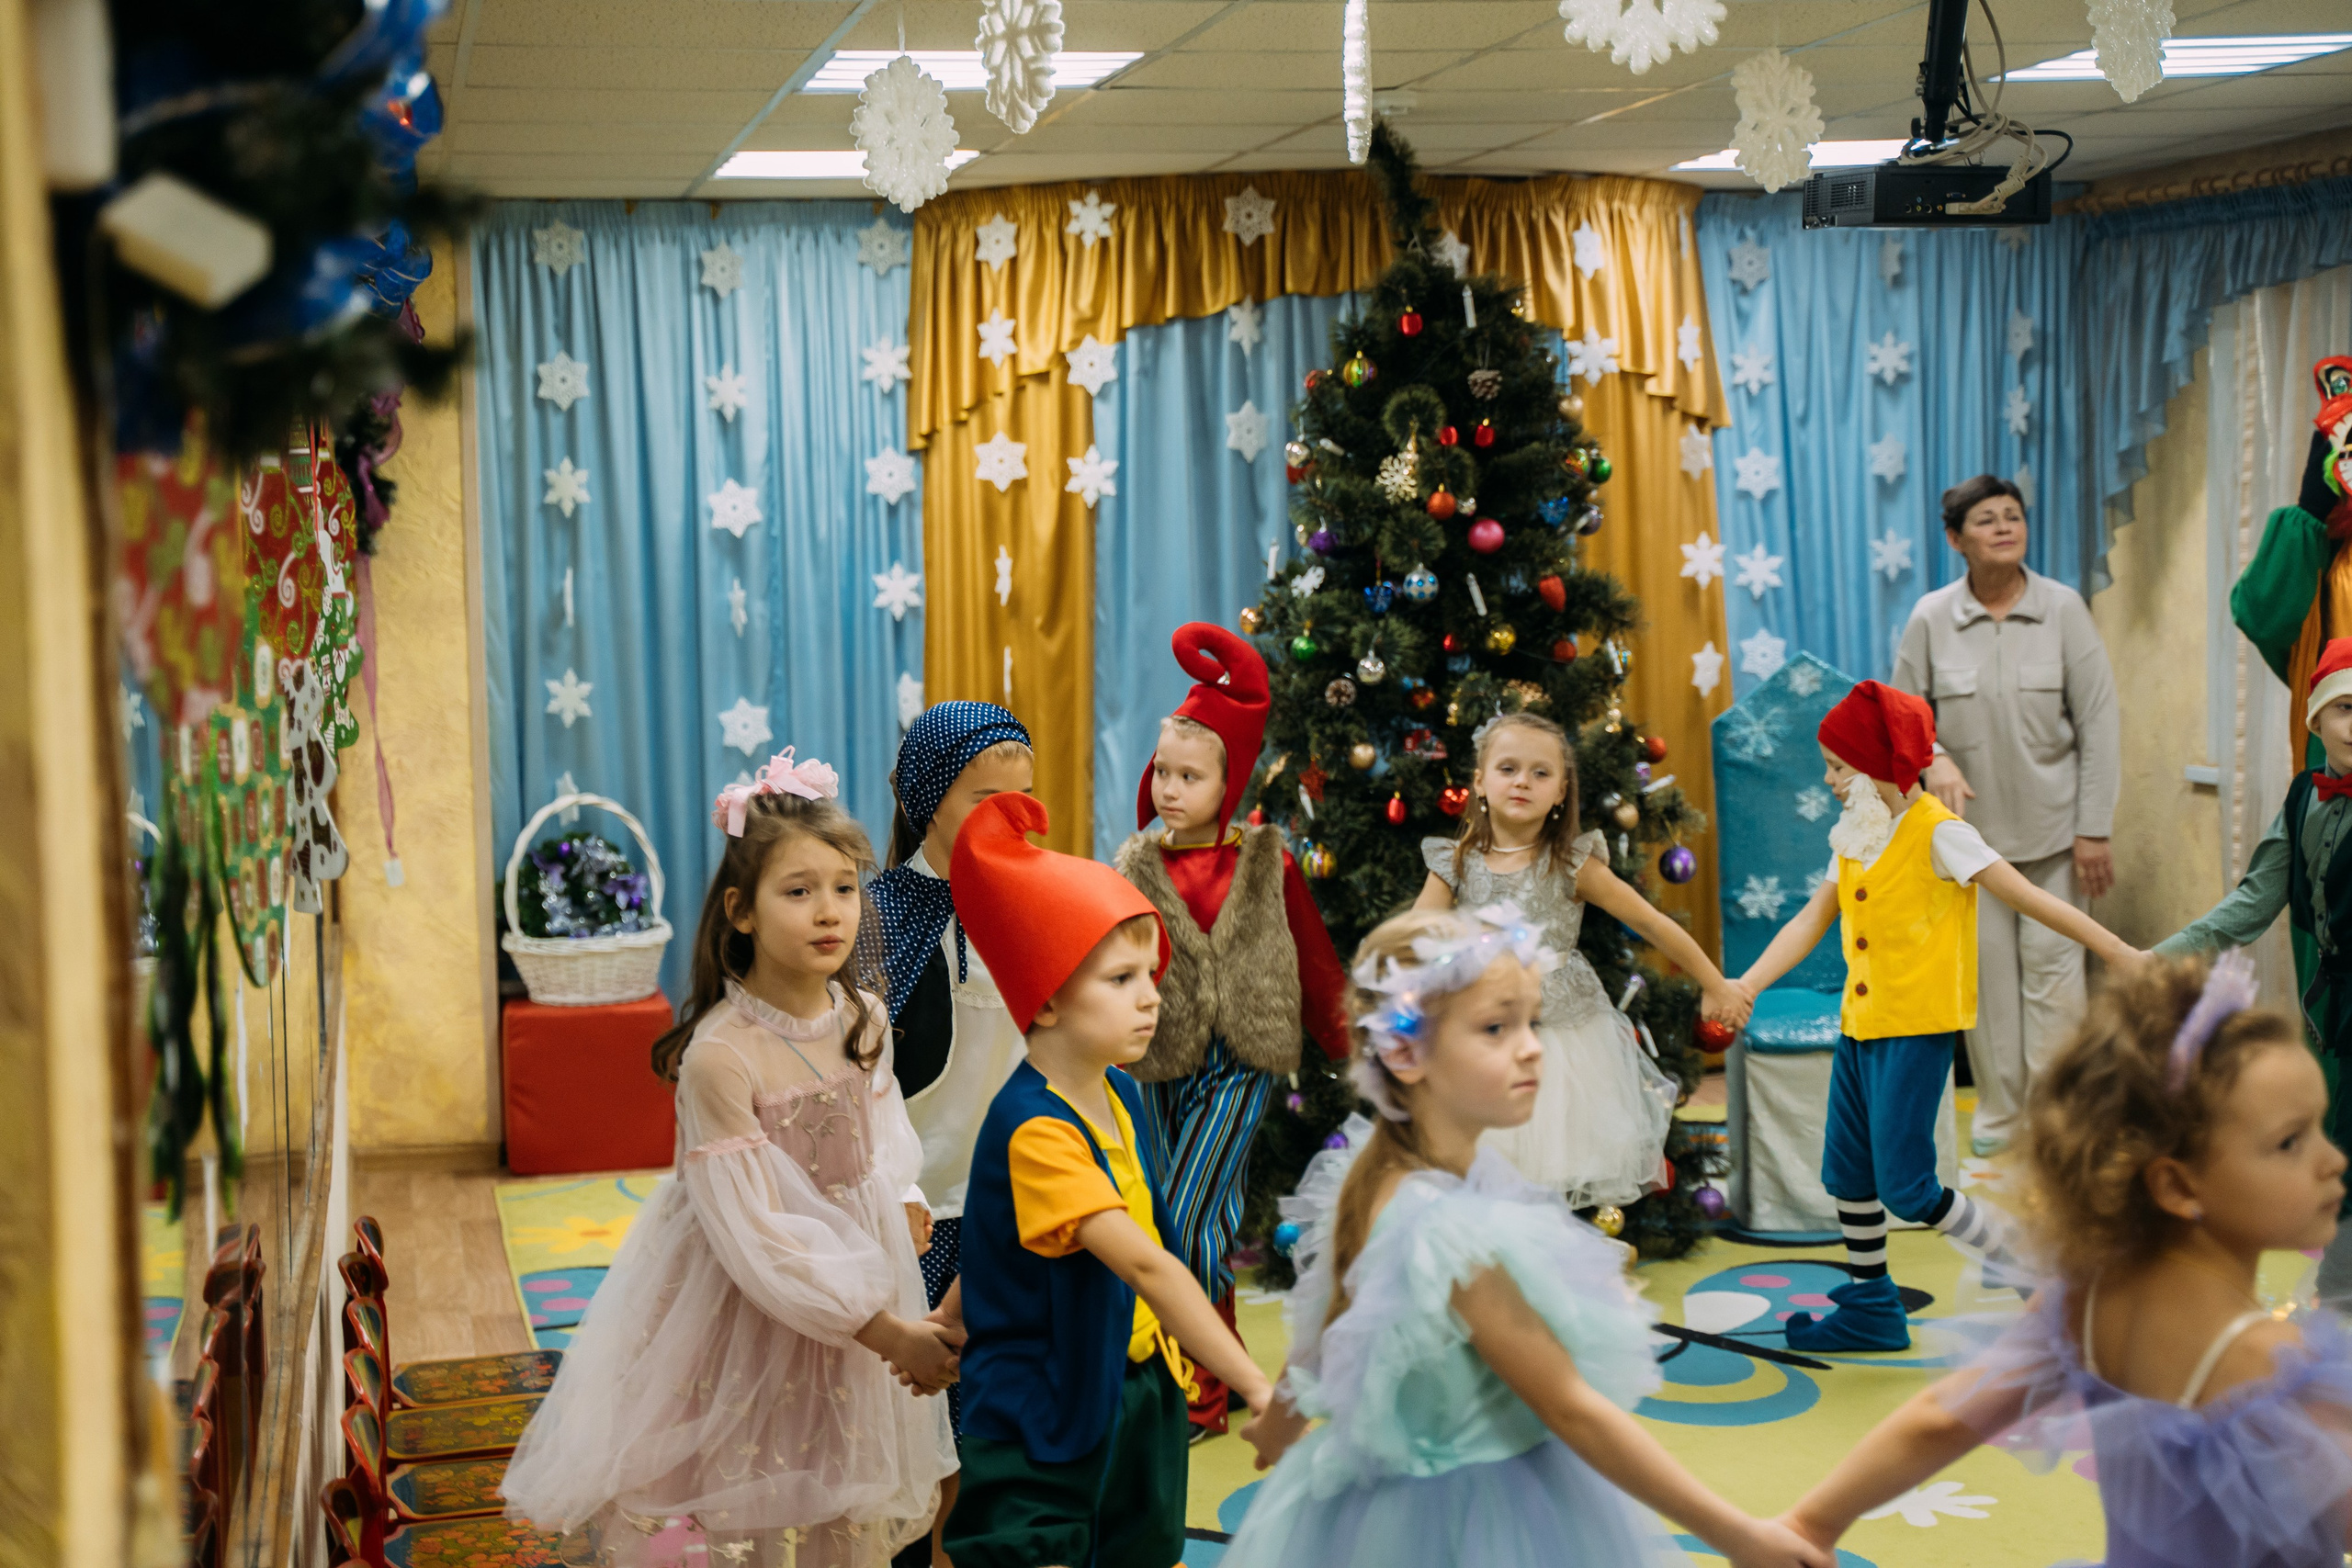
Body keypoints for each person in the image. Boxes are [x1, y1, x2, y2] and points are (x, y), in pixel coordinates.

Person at [1224, 906, 1832, 1568]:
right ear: (1404, 1052)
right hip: (1476, 1515)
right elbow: (1570, 1408)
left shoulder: (1380, 1174)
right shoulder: (1452, 1233)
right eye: (1494, 1028)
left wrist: (1278, 1424)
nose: (1531, 1045)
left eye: (1530, 1021)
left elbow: (1328, 1317)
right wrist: (1738, 1534)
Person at [500, 749, 959, 1568]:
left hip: (855, 1285)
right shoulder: (723, 1055)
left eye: (845, 888)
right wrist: (888, 1330)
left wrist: (902, 1190)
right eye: (799, 890)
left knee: (838, 1482)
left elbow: (885, 1130)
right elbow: (759, 1234)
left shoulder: (864, 1017)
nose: (831, 912)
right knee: (743, 1486)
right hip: (750, 1304)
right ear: (742, 911)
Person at [1777, 953, 2352, 1568]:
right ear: (2177, 1186)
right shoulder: (2283, 1369)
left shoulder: (2085, 1302)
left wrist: (1810, 1521)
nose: (2333, 1159)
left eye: (2322, 1127)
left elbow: (1939, 1419)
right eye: (2290, 1141)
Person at [1736, 682, 2142, 1351]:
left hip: (1916, 1031)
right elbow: (1812, 918)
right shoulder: (1858, 834)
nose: (1829, 780)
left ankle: (2029, 1269)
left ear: (1874, 765)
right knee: (1847, 1173)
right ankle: (1872, 1305)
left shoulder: (1940, 833)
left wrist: (2119, 950)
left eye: (1838, 766)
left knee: (1909, 1185)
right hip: (1861, 1026)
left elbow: (2030, 897)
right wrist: (1746, 984)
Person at [932, 792, 1273, 1568]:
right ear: (1046, 998)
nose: (1152, 996)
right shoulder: (1039, 1128)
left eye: (1150, 973)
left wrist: (952, 1314)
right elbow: (1147, 1261)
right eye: (1121, 978)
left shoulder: (1115, 1090)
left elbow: (1017, 1236)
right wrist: (1255, 1382)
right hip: (1049, 1403)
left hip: (1139, 1385)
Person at [1111, 623, 1351, 1432]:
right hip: (1160, 1060)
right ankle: (1198, 1370)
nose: (1170, 788)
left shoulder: (1264, 859)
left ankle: (1201, 1389)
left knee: (1185, 1212)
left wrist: (1358, 1054)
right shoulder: (1134, 864)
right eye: (1164, 772)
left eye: (1190, 775)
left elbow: (1317, 966)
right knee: (1191, 1214)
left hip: (1242, 1057)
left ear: (1231, 779)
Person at [1411, 711, 1747, 1206]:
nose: (1523, 781)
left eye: (1540, 773)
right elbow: (1413, 938)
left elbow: (1653, 924)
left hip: (1559, 1039)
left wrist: (1715, 983)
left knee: (1542, 1169)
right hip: (1479, 1033)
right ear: (1479, 783)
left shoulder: (1571, 863)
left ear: (1562, 792)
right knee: (1480, 1171)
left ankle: (1545, 1272)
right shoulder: (1455, 862)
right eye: (1508, 769)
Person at [1894, 474, 2120, 1157]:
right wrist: (1935, 756)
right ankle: (2000, 1121)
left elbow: (2099, 721)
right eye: (1986, 519)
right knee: (1989, 985)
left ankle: (2059, 1128)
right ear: (1955, 539)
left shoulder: (2063, 609)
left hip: (2056, 838)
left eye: (2013, 516)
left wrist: (2093, 827)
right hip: (1968, 847)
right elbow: (1901, 720)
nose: (2003, 527)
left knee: (2056, 983)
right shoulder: (1931, 617)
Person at [2158, 635, 2352, 1296]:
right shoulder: (2305, 796)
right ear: (2317, 718)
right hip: (2332, 1007)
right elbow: (2253, 902)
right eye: (2348, 706)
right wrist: (2161, 959)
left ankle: (2335, 1299)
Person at [866, 703, 1034, 1438]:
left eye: (1021, 798)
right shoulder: (877, 917)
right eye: (984, 800)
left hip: (1014, 1198)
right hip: (920, 1209)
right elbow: (856, 1078)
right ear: (925, 800)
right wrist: (894, 1187)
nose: (1009, 817)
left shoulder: (1033, 905)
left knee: (1002, 1411)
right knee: (917, 1414)